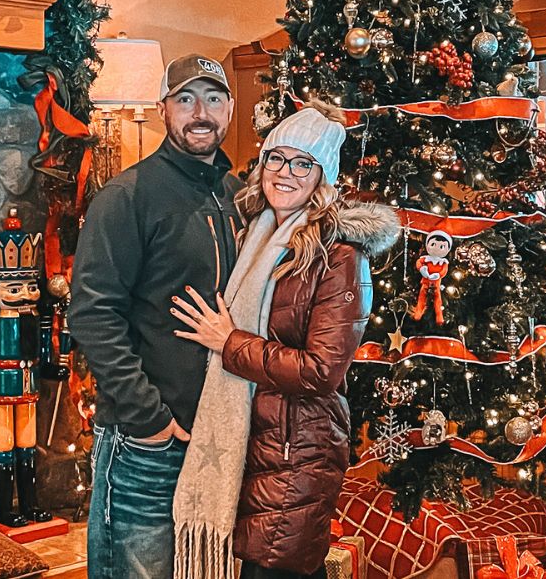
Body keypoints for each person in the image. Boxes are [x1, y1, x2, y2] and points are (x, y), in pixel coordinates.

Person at [170, 104, 400, 579]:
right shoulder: (256, 233)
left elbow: (321, 370)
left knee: (273, 569)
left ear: (322, 177)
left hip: (297, 451)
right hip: (258, 442)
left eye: (302, 163)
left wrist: (228, 341)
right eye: (277, 158)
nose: (285, 173)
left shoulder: (339, 255)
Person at [69, 54, 243, 579]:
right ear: (164, 108)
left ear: (230, 109)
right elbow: (93, 313)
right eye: (186, 99)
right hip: (151, 438)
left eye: (213, 99)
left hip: (219, 434)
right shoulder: (127, 196)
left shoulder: (239, 197)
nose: (200, 113)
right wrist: (149, 419)